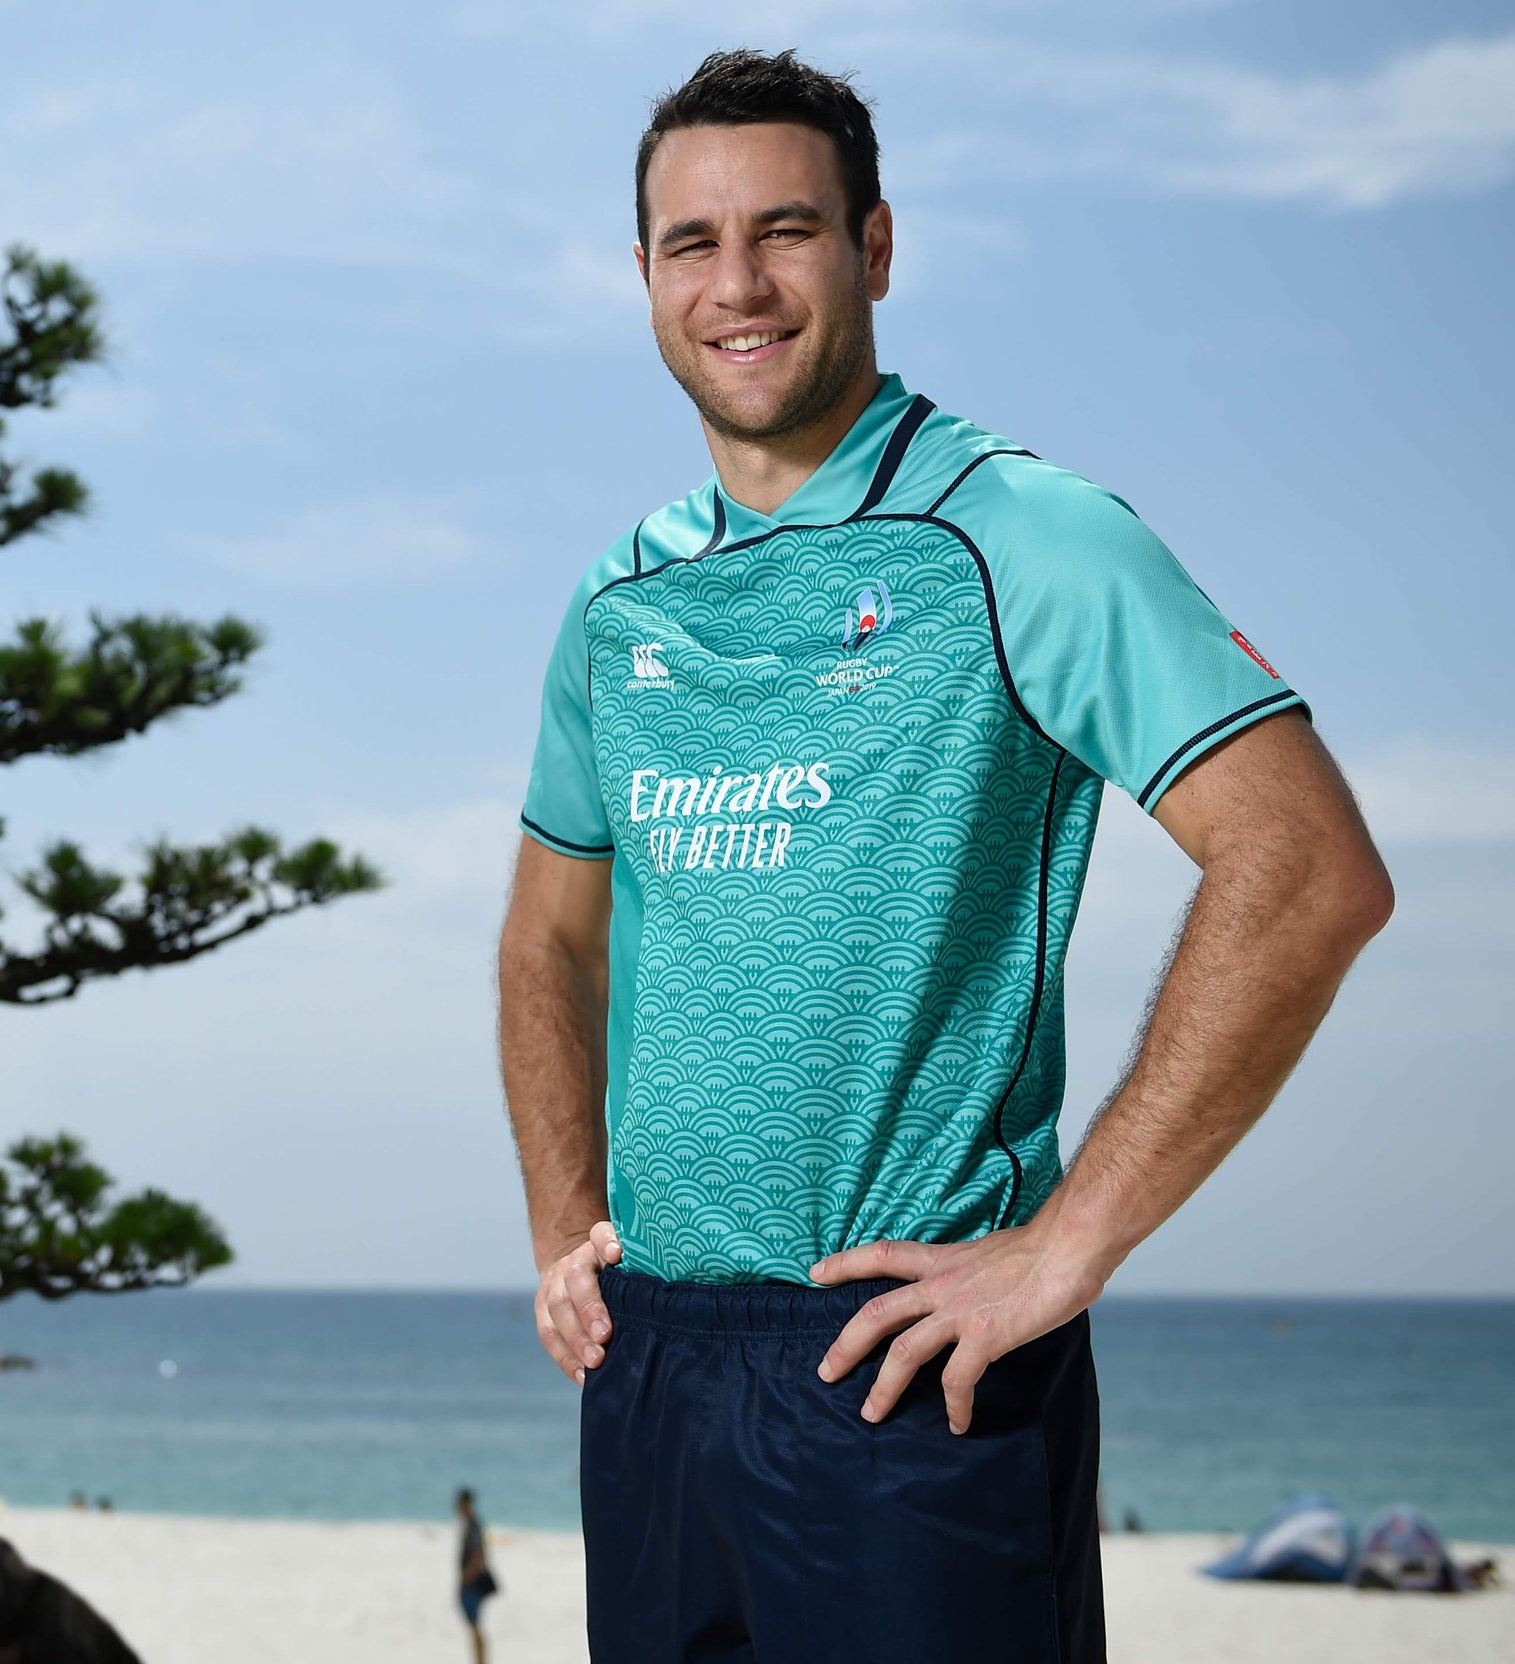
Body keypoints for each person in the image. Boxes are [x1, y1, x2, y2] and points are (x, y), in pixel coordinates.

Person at [498, 49, 1393, 1664]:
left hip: (913, 1363)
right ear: (641, 275)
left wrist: (1066, 1244)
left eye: (786, 230)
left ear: (876, 248)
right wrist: (565, 1213)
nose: (738, 284)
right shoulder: (614, 601)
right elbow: (545, 942)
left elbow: (1310, 868)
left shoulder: (1021, 533)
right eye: (691, 245)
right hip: (654, 1380)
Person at [455, 1487, 497, 1664]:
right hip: (470, 1581)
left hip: (471, 1583)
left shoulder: (473, 1526)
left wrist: (466, 1578)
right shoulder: (471, 1525)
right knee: (474, 1627)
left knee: (475, 1627)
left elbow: (479, 1554)